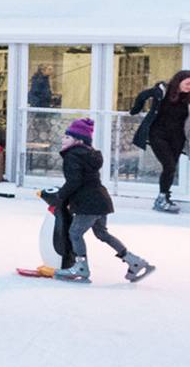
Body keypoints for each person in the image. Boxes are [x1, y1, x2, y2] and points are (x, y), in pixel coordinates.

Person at [42, 118, 154, 282]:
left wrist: (60, 196)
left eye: (67, 137)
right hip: (101, 200)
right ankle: (134, 261)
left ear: (78, 140)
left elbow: (74, 181)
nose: (62, 139)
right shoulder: (88, 155)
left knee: (75, 233)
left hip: (88, 203)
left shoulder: (72, 156)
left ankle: (81, 267)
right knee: (102, 233)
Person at [128, 69, 190, 213]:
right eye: (187, 83)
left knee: (171, 167)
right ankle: (161, 199)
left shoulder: (188, 97)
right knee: (169, 166)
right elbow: (142, 95)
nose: (189, 87)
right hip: (158, 134)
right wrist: (135, 110)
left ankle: (165, 196)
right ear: (179, 81)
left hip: (178, 137)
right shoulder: (162, 91)